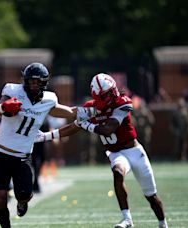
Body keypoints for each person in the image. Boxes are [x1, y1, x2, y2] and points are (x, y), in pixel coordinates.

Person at [37, 73, 168, 228]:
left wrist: (86, 125)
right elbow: (72, 126)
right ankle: (127, 219)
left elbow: (108, 129)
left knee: (151, 196)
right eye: (107, 94)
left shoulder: (122, 102)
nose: (112, 96)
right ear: (97, 95)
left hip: (134, 151)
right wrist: (45, 136)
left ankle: (163, 223)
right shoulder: (91, 108)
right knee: (118, 172)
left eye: (112, 91)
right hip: (116, 153)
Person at [0, 62, 82, 228]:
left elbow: (68, 112)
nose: (33, 85)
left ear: (44, 83)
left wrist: (88, 111)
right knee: (0, 196)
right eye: (31, 81)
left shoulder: (49, 99)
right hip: (1, 153)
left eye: (37, 82)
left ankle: (22, 203)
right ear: (25, 80)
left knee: (24, 195)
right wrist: (3, 107)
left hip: (22, 158)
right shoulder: (12, 91)